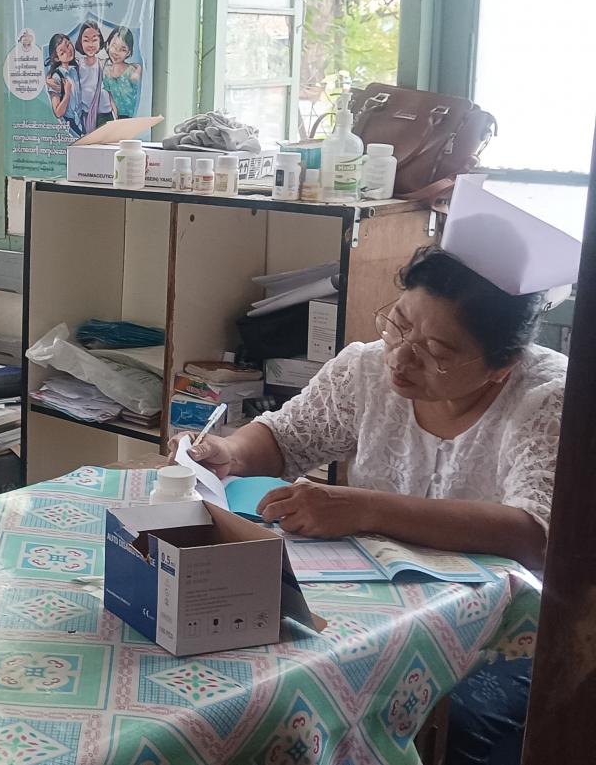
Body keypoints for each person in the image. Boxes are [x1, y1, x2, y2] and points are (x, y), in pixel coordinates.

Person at [185, 246, 566, 765]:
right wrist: (230, 452)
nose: (401, 358)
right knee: (267, 683)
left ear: (502, 368)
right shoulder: (366, 369)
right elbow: (286, 437)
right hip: (375, 612)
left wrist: (367, 509)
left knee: (457, 727)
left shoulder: (547, 399)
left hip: (501, 630)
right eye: (399, 324)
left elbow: (536, 534)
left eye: (436, 351)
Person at [73, 21, 113, 132]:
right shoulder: (77, 65)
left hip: (105, 116)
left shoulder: (104, 64)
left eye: (94, 40)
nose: (90, 45)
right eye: (86, 40)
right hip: (86, 116)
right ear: (80, 42)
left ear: (100, 41)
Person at [102, 26, 141, 120]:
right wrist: (114, 113)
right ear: (108, 45)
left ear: (128, 52)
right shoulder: (106, 72)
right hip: (115, 117)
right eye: (114, 46)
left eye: (123, 49)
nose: (117, 52)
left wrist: (138, 70)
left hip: (132, 117)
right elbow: (109, 95)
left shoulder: (131, 71)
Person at [44, 32, 80, 133]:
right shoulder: (56, 77)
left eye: (68, 45)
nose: (68, 51)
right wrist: (67, 93)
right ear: (57, 58)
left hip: (82, 120)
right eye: (62, 52)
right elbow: (58, 113)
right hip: (72, 124)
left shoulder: (75, 69)